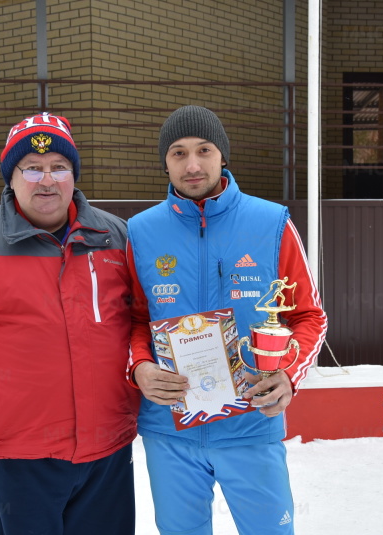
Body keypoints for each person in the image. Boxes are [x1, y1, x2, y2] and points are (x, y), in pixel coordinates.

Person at [0, 112, 140, 535]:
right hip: (20, 455)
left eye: (59, 167)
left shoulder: (115, 237)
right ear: (11, 177)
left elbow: (143, 324)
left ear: (73, 175)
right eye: (32, 168)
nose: (47, 180)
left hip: (107, 451)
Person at [126, 105, 328, 534]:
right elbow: (135, 320)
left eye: (204, 150)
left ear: (223, 157)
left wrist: (288, 375)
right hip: (170, 432)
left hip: (251, 425)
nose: (193, 164)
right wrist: (140, 367)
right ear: (165, 162)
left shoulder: (271, 222)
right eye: (178, 153)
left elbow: (309, 315)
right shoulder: (141, 232)